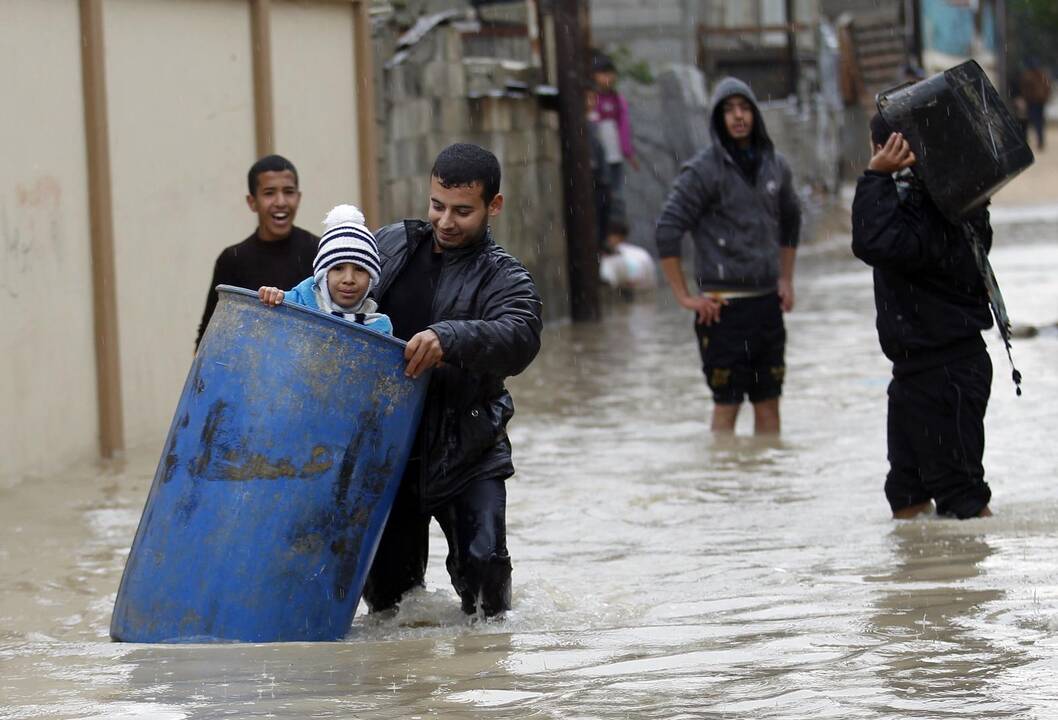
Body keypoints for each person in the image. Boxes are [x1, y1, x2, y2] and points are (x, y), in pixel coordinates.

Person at [363, 143, 543, 617]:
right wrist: (283, 296)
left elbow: (521, 336)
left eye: (463, 211)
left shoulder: (505, 277)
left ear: (493, 207)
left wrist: (451, 337)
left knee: (487, 591)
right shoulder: (390, 244)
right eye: (437, 205)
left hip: (469, 449)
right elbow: (328, 290)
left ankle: (490, 683)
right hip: (390, 455)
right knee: (389, 603)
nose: (445, 221)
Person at [851, 114, 994, 520]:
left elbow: (873, 243)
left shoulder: (940, 203)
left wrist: (875, 177)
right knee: (906, 492)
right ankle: (919, 580)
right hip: (917, 371)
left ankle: (974, 579)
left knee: (961, 497)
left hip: (946, 371)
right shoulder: (935, 196)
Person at [655, 77, 801, 435]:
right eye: (729, 110)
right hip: (722, 310)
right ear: (718, 119)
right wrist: (685, 296)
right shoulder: (704, 170)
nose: (738, 117)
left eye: (744, 108)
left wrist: (786, 278)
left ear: (755, 114)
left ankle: (763, 483)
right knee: (727, 405)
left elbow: (792, 221)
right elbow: (667, 229)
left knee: (769, 403)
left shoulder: (775, 166)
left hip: (767, 305)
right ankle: (724, 484)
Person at [195, 154, 317, 350]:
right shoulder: (232, 260)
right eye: (269, 193)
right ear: (252, 202)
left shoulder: (319, 252)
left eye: (288, 192)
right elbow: (210, 333)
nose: (280, 202)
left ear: (299, 197)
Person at [257, 204, 392, 335]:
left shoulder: (379, 329)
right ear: (323, 275)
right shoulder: (293, 305)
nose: (349, 279)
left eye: (360, 269)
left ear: (371, 279)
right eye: (338, 268)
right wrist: (271, 296)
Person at [592, 52, 638, 251]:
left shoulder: (617, 100)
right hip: (598, 160)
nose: (607, 79)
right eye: (603, 74)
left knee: (616, 197)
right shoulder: (593, 99)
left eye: (610, 74)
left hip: (615, 157)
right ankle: (602, 238)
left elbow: (624, 127)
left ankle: (614, 237)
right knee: (602, 197)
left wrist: (628, 152)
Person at [1019, 60, 1051, 152]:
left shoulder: (1029, 76)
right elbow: (1047, 87)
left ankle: (1035, 141)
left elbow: (1025, 89)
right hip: (1037, 101)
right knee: (1037, 122)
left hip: (1034, 101)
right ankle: (1039, 141)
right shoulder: (1041, 75)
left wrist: (1026, 98)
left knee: (1033, 121)